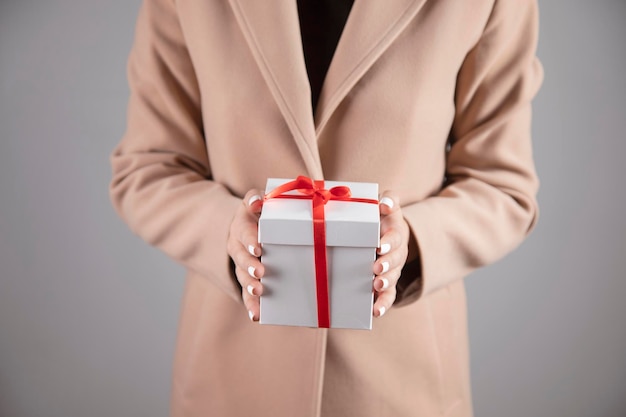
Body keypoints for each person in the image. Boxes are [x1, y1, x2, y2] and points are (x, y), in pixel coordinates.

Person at [109, 0, 543, 416]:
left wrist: (413, 241)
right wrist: (225, 230)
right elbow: (148, 169)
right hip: (234, 378)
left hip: (400, 382)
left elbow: (503, 186)